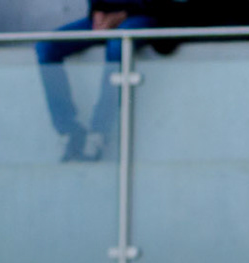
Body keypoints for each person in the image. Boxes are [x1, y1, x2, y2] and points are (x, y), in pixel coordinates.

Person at [35, 1, 157, 162]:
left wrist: (123, 14)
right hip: (106, 15)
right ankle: (70, 131)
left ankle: (99, 131)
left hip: (142, 14)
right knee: (46, 46)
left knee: (118, 45)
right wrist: (97, 12)